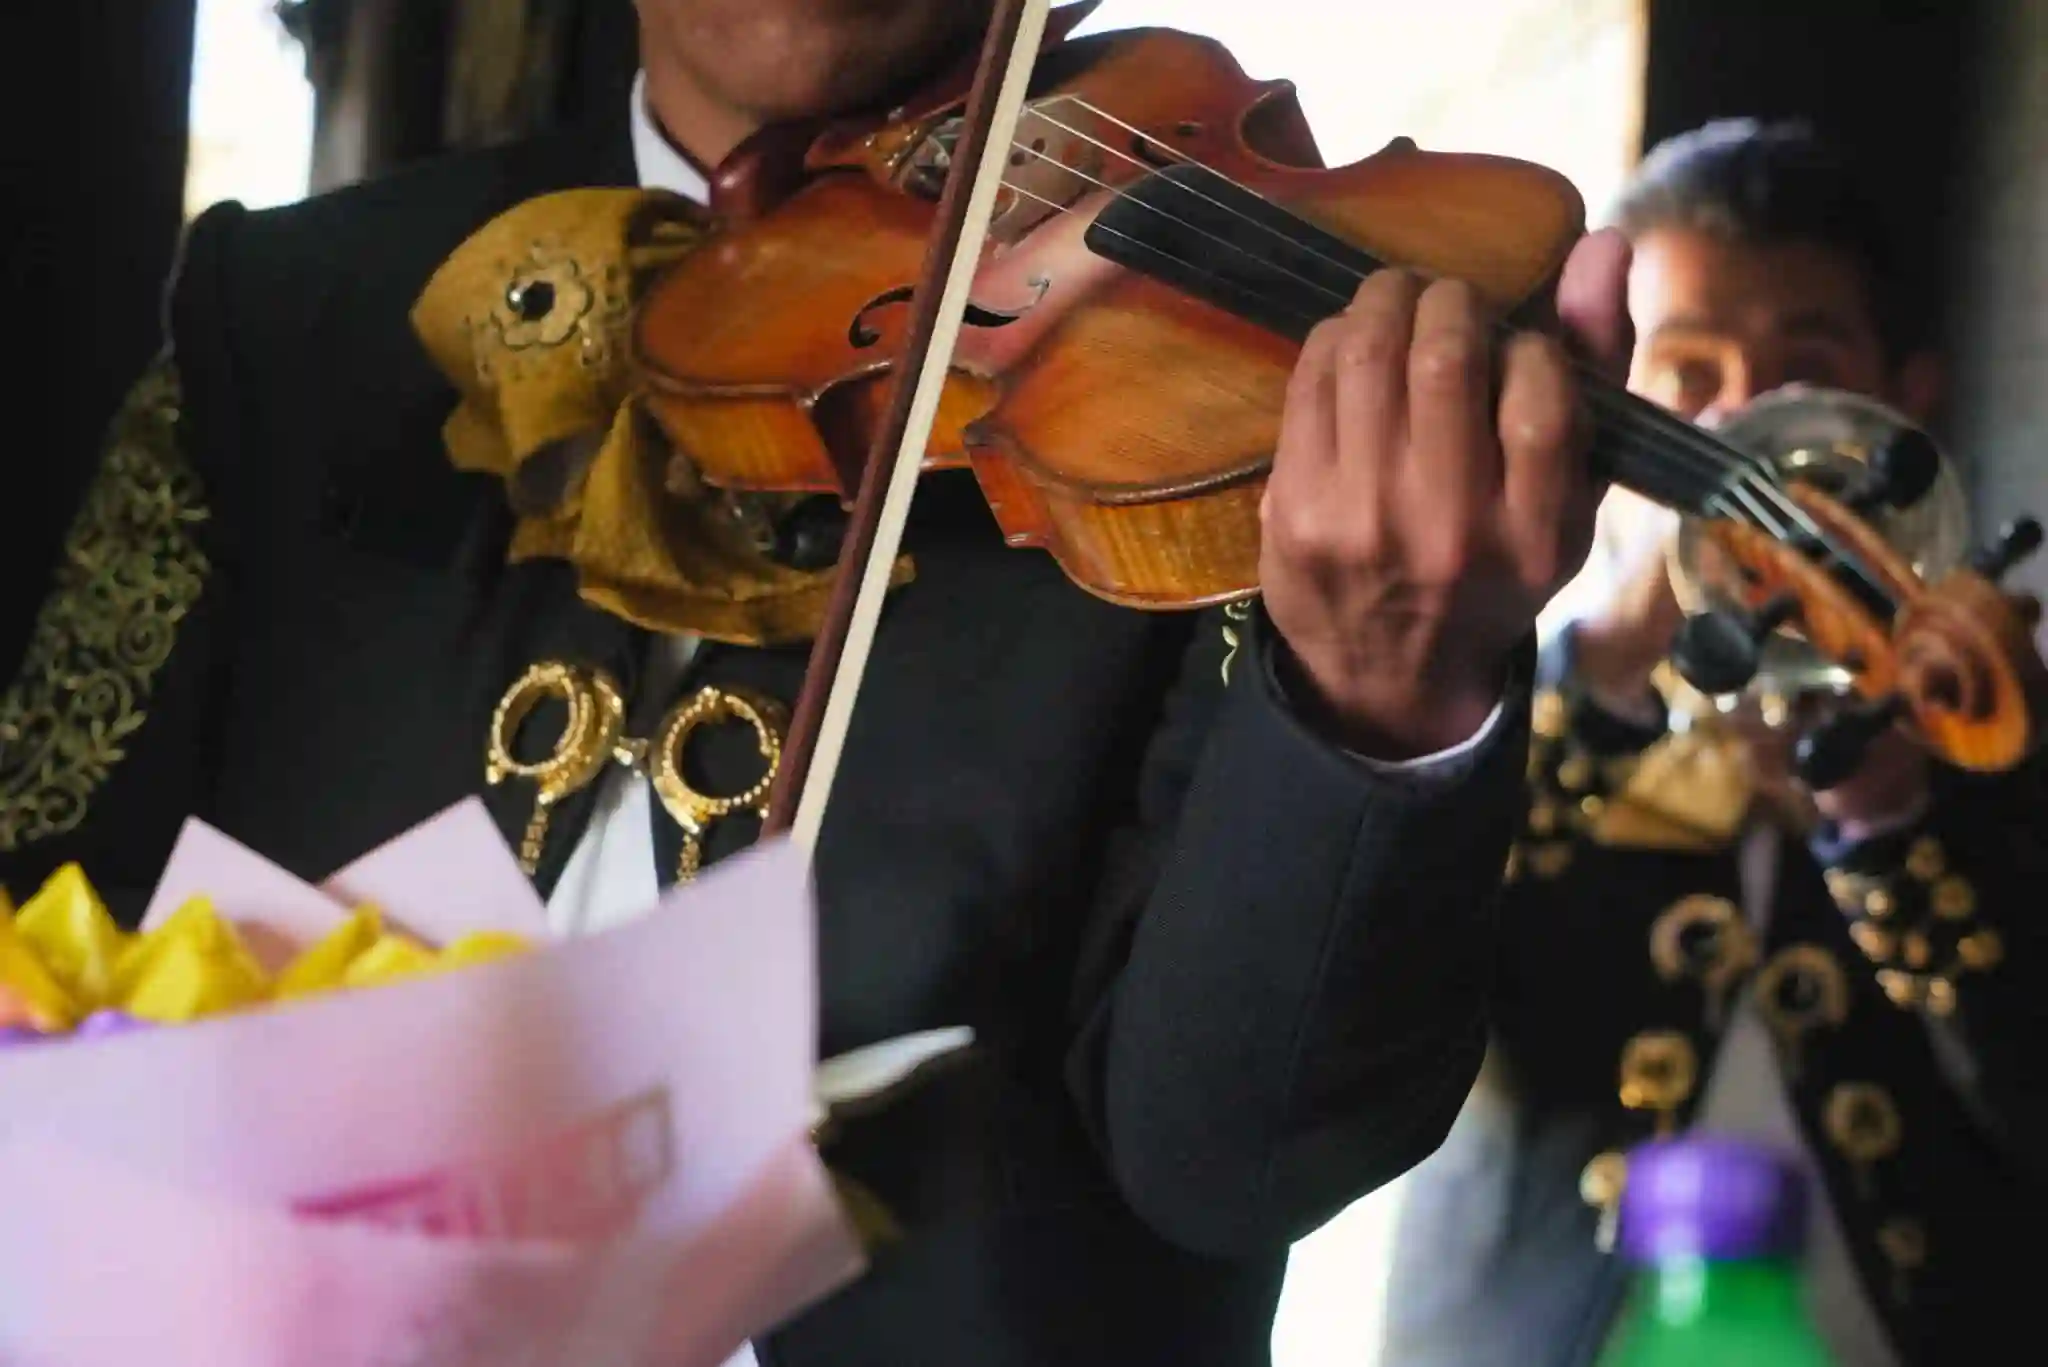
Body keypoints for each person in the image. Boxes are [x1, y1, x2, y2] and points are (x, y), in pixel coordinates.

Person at [0, 3, 1634, 1364]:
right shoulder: (285, 321)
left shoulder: (1225, 375)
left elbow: (1236, 1159)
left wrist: (1377, 710)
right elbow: (44, 912)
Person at [1382, 118, 2048, 1367]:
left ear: (1904, 402)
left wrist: (1889, 806)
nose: (1738, 420)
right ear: (1604, 405)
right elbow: (1384, 1002)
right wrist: (1618, 653)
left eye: (1802, 372)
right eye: (1686, 375)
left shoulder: (1992, 712)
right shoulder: (1490, 705)